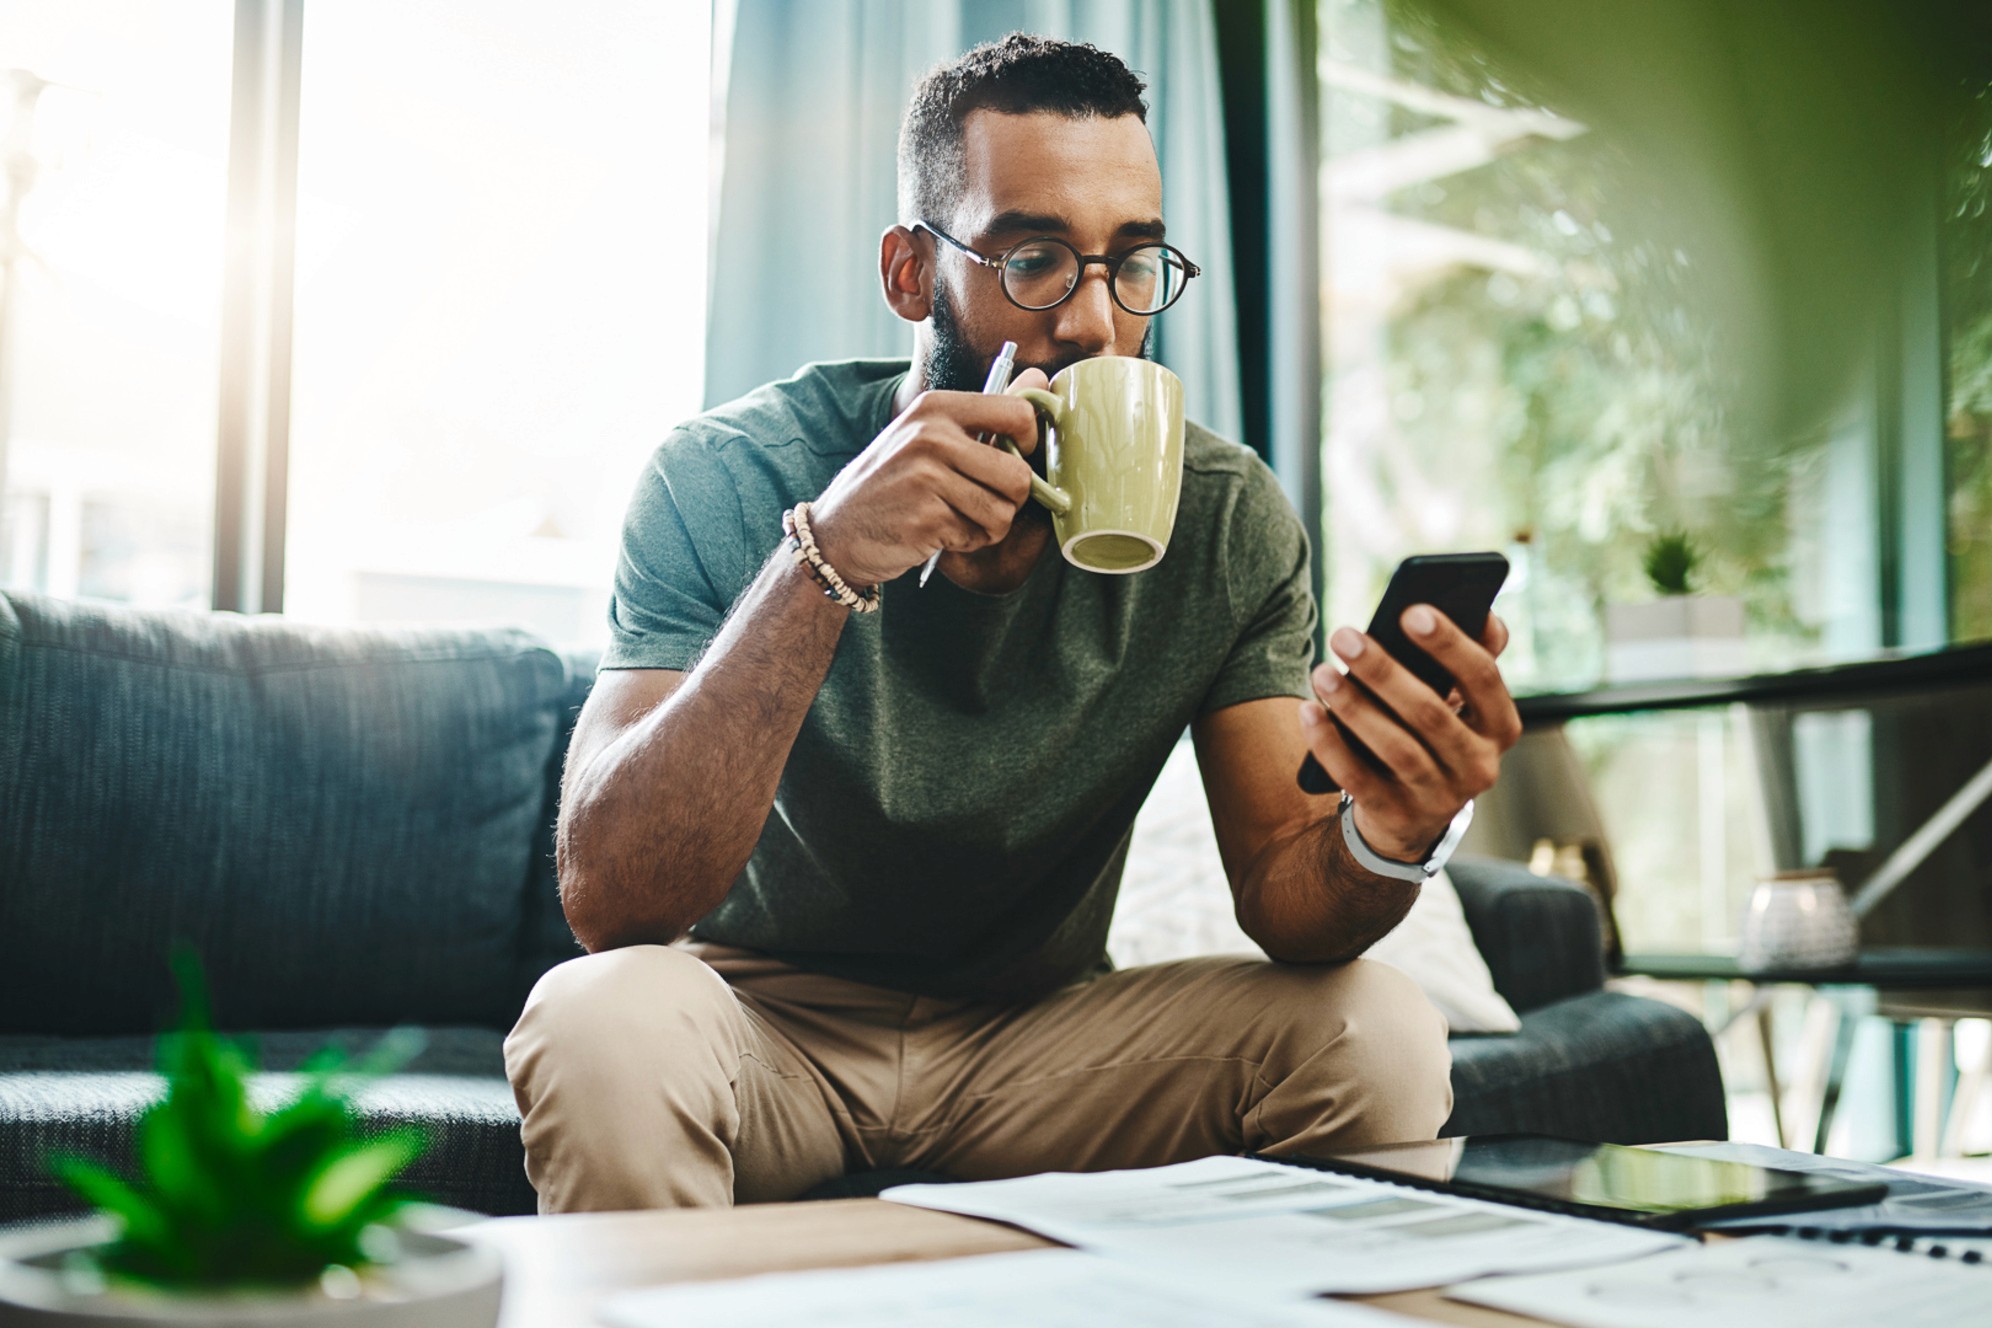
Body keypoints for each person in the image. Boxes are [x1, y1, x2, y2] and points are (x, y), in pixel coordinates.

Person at [504, 33, 1521, 1213]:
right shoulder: (724, 475)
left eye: (1133, 263)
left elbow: (1290, 906)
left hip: (1045, 1046)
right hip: (760, 1026)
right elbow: (611, 900)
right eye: (1034, 257)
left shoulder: (1226, 517)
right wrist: (822, 562)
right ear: (908, 273)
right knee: (598, 1020)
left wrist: (1394, 827)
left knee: (1377, 1027)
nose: (1094, 323)